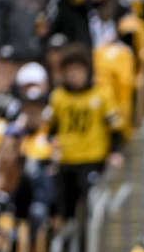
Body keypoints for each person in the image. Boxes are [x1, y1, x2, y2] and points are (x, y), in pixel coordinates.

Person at [47, 44, 124, 227]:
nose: (74, 75)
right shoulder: (58, 97)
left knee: (89, 202)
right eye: (70, 71)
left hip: (92, 157)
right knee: (62, 205)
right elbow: (52, 129)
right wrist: (52, 148)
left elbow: (115, 126)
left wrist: (115, 152)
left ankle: (86, 244)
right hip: (67, 158)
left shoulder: (102, 94)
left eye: (78, 70)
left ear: (87, 71)